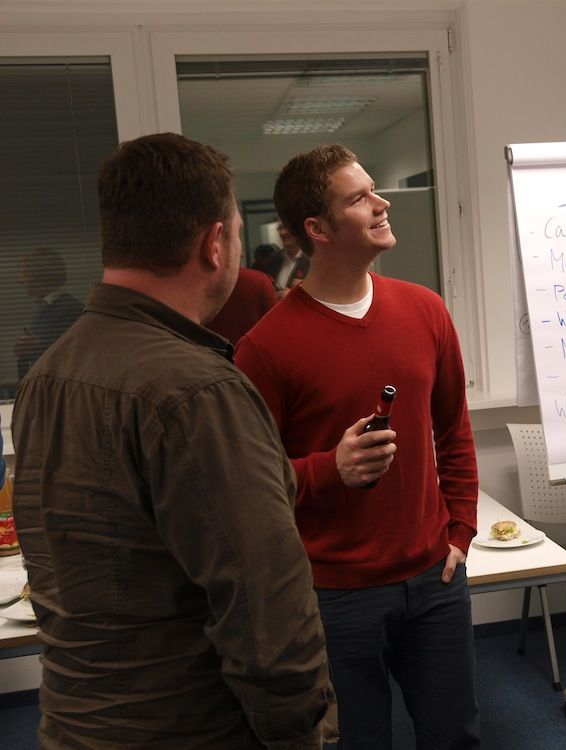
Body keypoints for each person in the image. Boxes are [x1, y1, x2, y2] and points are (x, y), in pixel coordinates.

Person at [12, 132, 335, 749]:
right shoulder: (198, 392)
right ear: (214, 244)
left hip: (74, 726)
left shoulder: (45, 376)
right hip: (189, 728)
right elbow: (268, 615)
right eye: (235, 232)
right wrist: (303, 736)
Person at [235, 144, 480, 750]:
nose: (381, 203)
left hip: (434, 576)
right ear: (317, 230)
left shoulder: (425, 310)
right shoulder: (265, 348)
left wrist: (460, 530)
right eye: (359, 198)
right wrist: (330, 469)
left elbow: (453, 429)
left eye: (374, 189)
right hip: (333, 593)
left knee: (455, 737)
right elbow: (248, 484)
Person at [13, 246, 84, 378]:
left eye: (24, 274)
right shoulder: (43, 310)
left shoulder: (71, 309)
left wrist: (36, 347)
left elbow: (73, 354)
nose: (20, 280)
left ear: (40, 275)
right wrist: (24, 350)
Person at [206, 265, 278, 343]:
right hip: (246, 348)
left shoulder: (201, 279)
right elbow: (275, 331)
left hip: (206, 346)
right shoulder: (259, 281)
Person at [274, 220, 310, 293]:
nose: (282, 232)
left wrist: (293, 295)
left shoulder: (313, 260)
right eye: (280, 228)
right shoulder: (273, 259)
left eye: (286, 228)